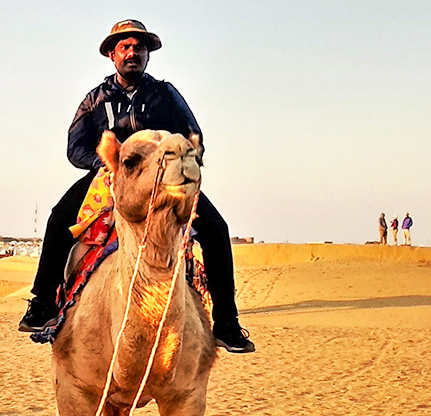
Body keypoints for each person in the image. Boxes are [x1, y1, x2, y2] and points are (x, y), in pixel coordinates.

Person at [18, 19, 255, 354]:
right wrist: (108, 163)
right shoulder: (95, 99)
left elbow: (192, 134)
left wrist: (182, 161)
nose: (133, 53)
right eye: (125, 47)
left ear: (147, 54)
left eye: (138, 47)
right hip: (109, 174)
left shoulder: (165, 94)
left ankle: (227, 323)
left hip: (162, 177)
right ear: (112, 56)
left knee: (217, 230)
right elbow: (75, 147)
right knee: (59, 219)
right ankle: (42, 303)